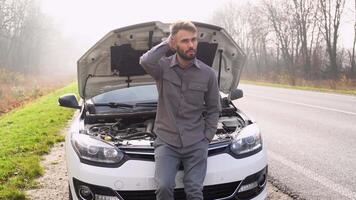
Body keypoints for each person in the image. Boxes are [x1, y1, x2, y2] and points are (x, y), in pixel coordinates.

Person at [139, 20, 221, 200]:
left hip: (196, 142)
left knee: (194, 191)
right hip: (167, 141)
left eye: (194, 39)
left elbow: (214, 108)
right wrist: (166, 43)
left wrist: (207, 137)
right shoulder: (162, 68)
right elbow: (145, 60)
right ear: (174, 43)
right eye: (185, 41)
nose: (191, 45)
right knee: (164, 187)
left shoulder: (208, 74)